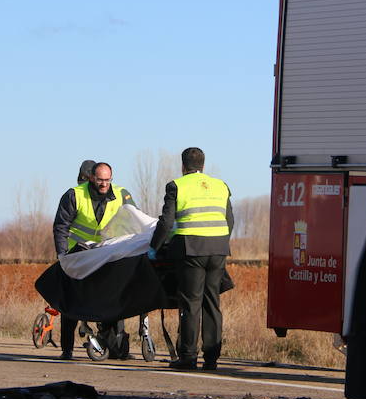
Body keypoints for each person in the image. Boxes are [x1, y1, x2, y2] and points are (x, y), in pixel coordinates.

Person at [149, 147, 233, 370]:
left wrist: (154, 247)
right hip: (218, 249)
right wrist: (220, 242)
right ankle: (212, 357)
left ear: (183, 166)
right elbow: (229, 220)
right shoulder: (221, 185)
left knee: (191, 303)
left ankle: (187, 356)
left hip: (190, 249)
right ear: (203, 166)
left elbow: (166, 222)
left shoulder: (176, 186)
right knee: (212, 302)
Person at [52, 161, 137, 360]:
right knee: (72, 302)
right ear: (91, 177)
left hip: (107, 255)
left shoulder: (122, 194)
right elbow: (61, 227)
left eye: (108, 180)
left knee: (111, 301)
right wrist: (63, 256)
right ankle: (67, 349)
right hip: (79, 254)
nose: (104, 184)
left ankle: (115, 348)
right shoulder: (74, 195)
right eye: (100, 180)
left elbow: (135, 220)